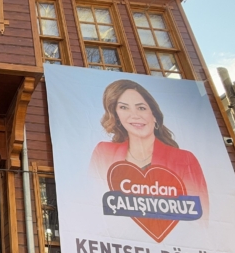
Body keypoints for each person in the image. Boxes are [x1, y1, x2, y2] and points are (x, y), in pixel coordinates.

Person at [89, 79, 208, 216]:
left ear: (154, 115)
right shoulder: (103, 153)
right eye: (124, 107)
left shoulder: (185, 160)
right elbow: (92, 203)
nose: (135, 115)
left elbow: (199, 215)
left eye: (141, 108)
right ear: (117, 116)